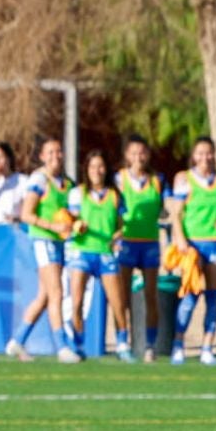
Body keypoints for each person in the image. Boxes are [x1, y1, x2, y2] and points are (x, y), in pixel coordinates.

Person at [6, 139, 79, 363]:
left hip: (59, 242)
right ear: (42, 156)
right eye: (51, 152)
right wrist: (52, 226)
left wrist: (74, 224)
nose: (56, 156)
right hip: (43, 240)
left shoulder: (67, 183)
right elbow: (27, 214)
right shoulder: (39, 179)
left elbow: (71, 213)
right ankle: (61, 346)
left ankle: (17, 341)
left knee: (45, 296)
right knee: (56, 292)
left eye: (59, 151)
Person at [167, 135, 216, 365]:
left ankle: (208, 346)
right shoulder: (184, 179)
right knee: (189, 297)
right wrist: (181, 240)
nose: (205, 157)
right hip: (193, 246)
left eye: (209, 152)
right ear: (193, 156)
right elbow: (175, 214)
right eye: (200, 153)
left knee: (213, 297)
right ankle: (178, 344)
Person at [64, 150, 131, 361]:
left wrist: (117, 238)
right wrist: (76, 226)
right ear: (86, 169)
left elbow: (121, 226)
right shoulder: (78, 193)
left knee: (118, 302)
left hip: (105, 253)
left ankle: (122, 344)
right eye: (93, 167)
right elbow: (69, 222)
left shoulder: (115, 195)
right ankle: (78, 344)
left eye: (100, 166)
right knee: (77, 302)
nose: (97, 171)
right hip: (82, 252)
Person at [115, 137, 165, 362]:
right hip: (126, 242)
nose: (139, 157)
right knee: (122, 296)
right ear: (127, 155)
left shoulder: (157, 181)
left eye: (142, 152)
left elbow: (166, 208)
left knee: (150, 295)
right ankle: (122, 341)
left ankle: (150, 345)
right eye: (134, 152)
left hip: (150, 243)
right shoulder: (119, 179)